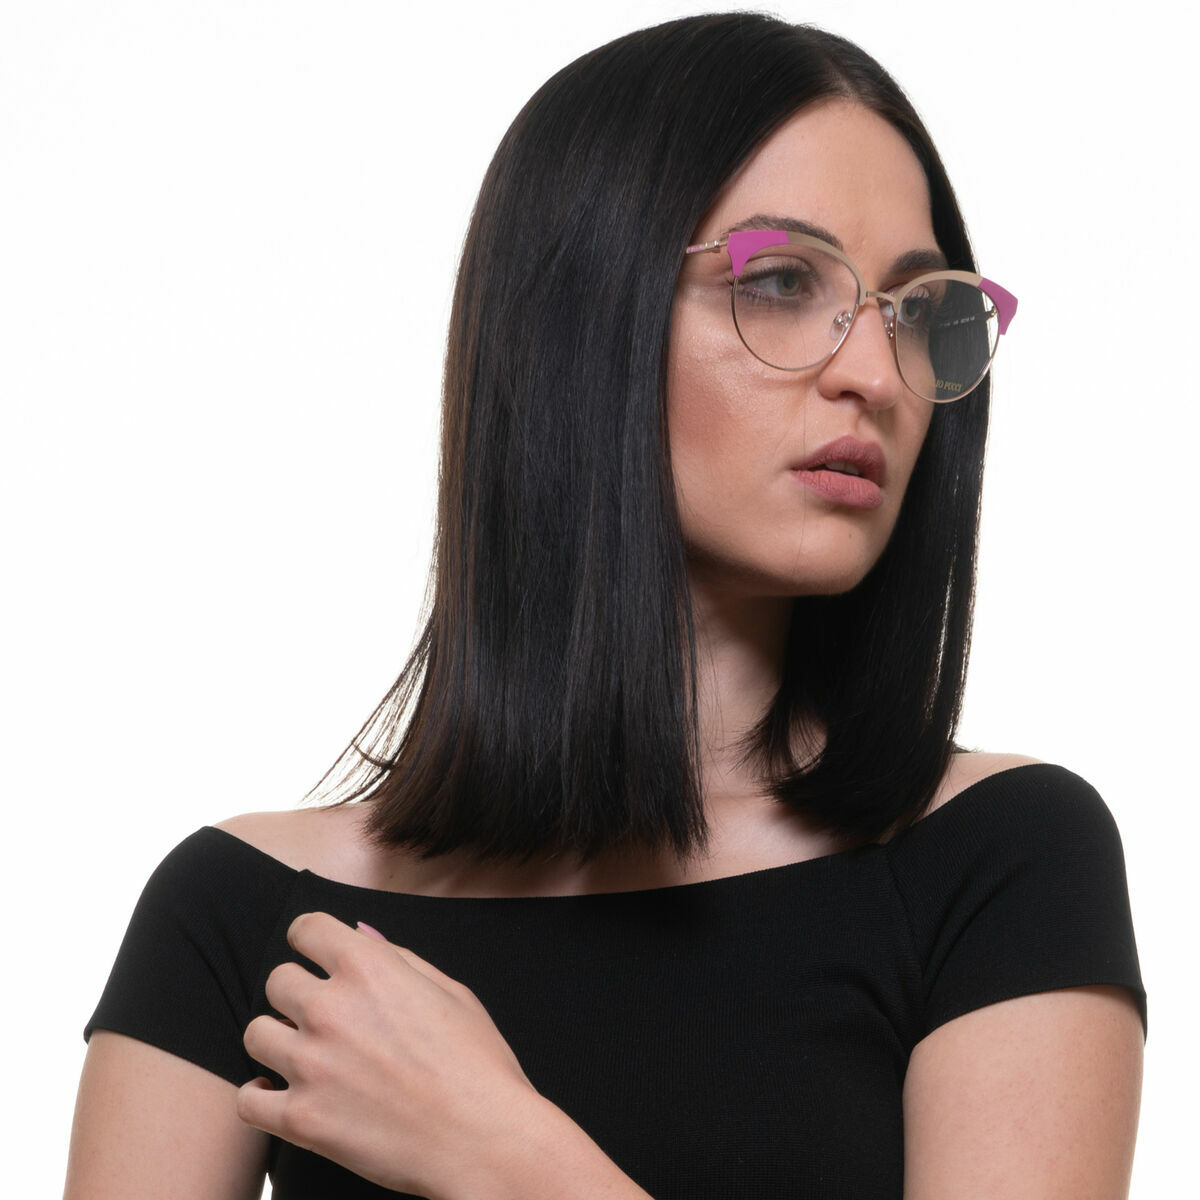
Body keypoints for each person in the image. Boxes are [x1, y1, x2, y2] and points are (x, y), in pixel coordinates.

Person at [64, 13, 1146, 1199]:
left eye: (912, 308)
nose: (876, 375)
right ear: (579, 321)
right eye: (782, 282)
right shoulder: (243, 912)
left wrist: (503, 1154)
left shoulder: (998, 859)